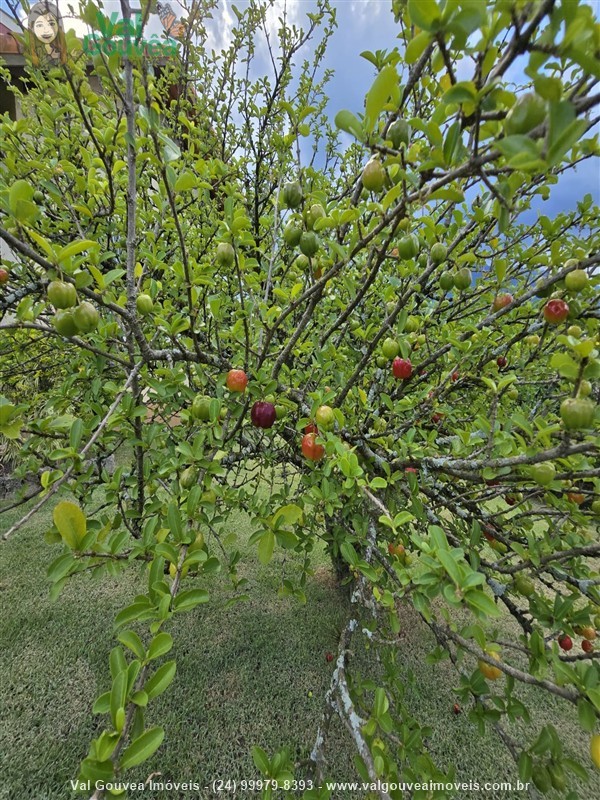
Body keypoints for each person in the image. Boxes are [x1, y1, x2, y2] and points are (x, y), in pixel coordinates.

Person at [27, 1, 67, 66]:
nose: (46, 30)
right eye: (40, 25)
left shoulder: (60, 46)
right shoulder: (37, 49)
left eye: (51, 24)